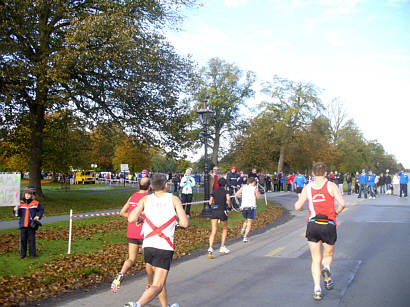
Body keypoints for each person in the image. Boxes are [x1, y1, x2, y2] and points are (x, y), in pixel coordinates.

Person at [125, 173, 188, 307]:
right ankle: (137, 304)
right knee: (158, 285)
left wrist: (142, 218)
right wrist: (174, 219)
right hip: (164, 246)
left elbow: (131, 218)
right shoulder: (174, 199)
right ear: (166, 185)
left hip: (148, 246)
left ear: (152, 186)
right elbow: (184, 223)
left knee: (159, 280)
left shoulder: (146, 200)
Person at [294, 162, 345, 301]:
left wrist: (302, 206)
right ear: (325, 173)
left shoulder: (308, 187)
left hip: (313, 225)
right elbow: (343, 203)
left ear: (312, 173)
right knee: (328, 255)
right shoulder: (331, 185)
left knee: (315, 259)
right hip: (328, 224)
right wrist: (335, 213)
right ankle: (327, 268)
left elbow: (297, 206)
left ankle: (317, 289)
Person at [111, 178, 151, 293]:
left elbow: (122, 212)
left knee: (131, 259)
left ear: (139, 185)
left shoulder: (132, 196)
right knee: (148, 261)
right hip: (144, 233)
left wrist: (134, 217)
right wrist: (142, 218)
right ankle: (149, 284)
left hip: (132, 232)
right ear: (150, 187)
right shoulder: (149, 198)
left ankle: (120, 275)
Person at [13, 186, 44, 259]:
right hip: (23, 224)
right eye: (26, 194)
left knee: (31, 240)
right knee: (22, 240)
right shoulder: (20, 203)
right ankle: (22, 254)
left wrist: (38, 216)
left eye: (29, 194)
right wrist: (15, 210)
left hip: (31, 225)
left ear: (32, 195)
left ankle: (32, 254)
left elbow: (41, 210)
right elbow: (17, 215)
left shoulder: (35, 203)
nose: (27, 195)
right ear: (24, 194)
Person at [208, 177, 232, 259]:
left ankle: (210, 248)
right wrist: (229, 207)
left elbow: (210, 202)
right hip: (222, 211)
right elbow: (228, 199)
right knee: (224, 229)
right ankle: (222, 246)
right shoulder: (226, 191)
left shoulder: (214, 191)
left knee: (213, 230)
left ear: (218, 184)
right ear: (225, 184)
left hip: (214, 211)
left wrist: (214, 203)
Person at [235, 177, 261, 243]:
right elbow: (259, 197)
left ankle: (243, 230)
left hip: (244, 207)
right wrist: (257, 192)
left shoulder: (243, 187)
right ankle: (245, 237)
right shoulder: (255, 188)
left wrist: (241, 197)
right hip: (251, 207)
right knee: (249, 222)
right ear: (254, 182)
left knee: (246, 219)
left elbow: (237, 194)